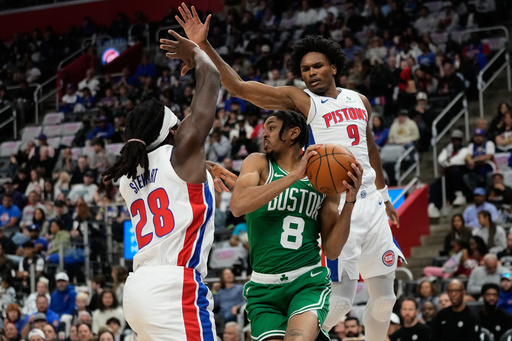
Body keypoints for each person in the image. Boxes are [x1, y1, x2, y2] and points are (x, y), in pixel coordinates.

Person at [167, 7, 404, 340]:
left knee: (385, 297)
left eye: (318, 66)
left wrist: (383, 195)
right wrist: (204, 48)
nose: (311, 74)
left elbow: (371, 150)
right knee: (341, 299)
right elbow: (239, 87)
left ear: (334, 66)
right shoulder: (301, 100)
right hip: (335, 200)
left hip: (370, 202)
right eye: (305, 69)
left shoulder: (360, 100)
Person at [103, 30, 229, 341]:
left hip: (138, 289)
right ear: (173, 130)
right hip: (175, 285)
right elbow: (212, 78)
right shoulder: (182, 152)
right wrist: (197, 53)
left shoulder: (126, 177)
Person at [228, 107, 362, 340]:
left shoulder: (321, 175)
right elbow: (238, 205)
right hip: (263, 287)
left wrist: (349, 202)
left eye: (271, 128)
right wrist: (293, 177)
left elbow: (332, 250)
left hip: (305, 281)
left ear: (293, 133)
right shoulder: (258, 163)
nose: (264, 134)